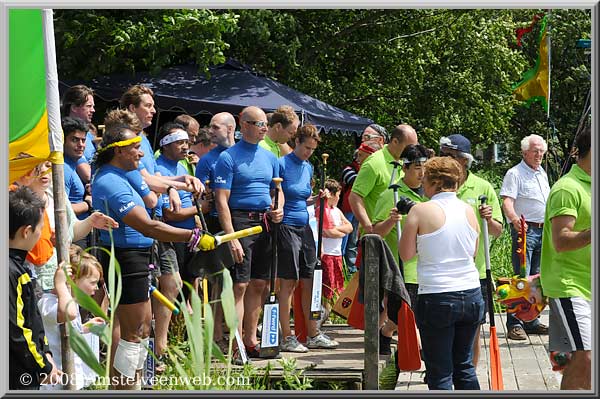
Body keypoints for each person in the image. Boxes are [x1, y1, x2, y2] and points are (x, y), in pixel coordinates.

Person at [91, 123, 209, 388]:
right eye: (135, 148)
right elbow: (148, 225)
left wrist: (183, 183)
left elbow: (155, 182)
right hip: (126, 256)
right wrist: (192, 236)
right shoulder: (110, 180)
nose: (141, 153)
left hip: (139, 254)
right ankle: (125, 387)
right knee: (137, 332)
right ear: (119, 151)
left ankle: (128, 385)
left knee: (134, 331)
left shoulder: (127, 171)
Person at [399, 156, 483, 390]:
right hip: (471, 293)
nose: (422, 185)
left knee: (440, 373)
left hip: (437, 295)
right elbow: (473, 252)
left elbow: (406, 254)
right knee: (464, 367)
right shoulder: (469, 210)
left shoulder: (420, 211)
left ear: (434, 182)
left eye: (424, 180)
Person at [213, 106, 283, 358]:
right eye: (259, 123)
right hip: (240, 221)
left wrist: (280, 209)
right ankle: (235, 344)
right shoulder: (228, 158)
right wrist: (232, 238)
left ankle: (251, 340)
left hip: (265, 222)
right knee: (239, 285)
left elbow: (277, 190)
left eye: (266, 123)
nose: (265, 128)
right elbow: (221, 201)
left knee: (260, 284)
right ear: (244, 125)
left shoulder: (270, 157)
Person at [438, 134, 503, 368]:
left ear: (464, 160)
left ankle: (469, 375)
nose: (445, 160)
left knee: (473, 332)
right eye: (442, 154)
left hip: (474, 274)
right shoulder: (435, 185)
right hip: (442, 273)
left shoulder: (483, 186)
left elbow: (497, 229)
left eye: (450, 156)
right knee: (443, 332)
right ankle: (443, 372)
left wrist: (489, 218)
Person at [277, 124, 340, 353]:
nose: (308, 152)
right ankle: (286, 336)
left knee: (310, 280)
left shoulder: (309, 167)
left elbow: (302, 199)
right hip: (286, 227)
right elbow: (280, 196)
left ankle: (313, 333)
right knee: (288, 283)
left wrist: (317, 198)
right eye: (306, 147)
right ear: (296, 142)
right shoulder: (281, 164)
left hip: (304, 227)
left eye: (313, 149)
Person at [540, 126, 591, 390]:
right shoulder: (567, 188)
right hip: (569, 286)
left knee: (582, 365)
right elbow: (561, 241)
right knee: (586, 358)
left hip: (589, 286)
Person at [371, 143, 430, 355]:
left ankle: (386, 334)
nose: (422, 173)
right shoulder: (391, 195)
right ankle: (422, 354)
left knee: (417, 314)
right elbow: (374, 232)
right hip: (402, 265)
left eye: (425, 167)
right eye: (416, 168)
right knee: (403, 314)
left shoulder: (431, 193)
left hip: (429, 265)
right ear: (404, 168)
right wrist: (390, 220)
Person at [9, 186, 62, 390]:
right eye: (41, 229)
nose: (44, 235)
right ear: (26, 231)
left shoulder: (20, 267)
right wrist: (43, 366)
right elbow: (17, 329)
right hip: (18, 375)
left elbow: (33, 321)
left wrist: (45, 351)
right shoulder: (13, 272)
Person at [500, 134, 550, 340]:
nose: (539, 154)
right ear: (524, 152)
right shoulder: (515, 173)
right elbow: (507, 201)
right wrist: (513, 219)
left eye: (541, 151)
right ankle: (514, 323)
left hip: (542, 230)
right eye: (535, 150)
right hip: (525, 231)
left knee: (536, 278)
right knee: (522, 277)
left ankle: (532, 320)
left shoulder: (541, 173)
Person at [194, 111, 237, 348]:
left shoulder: (239, 154)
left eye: (215, 127)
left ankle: (235, 330)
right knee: (216, 279)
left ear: (230, 129)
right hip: (214, 222)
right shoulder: (207, 160)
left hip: (239, 221)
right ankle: (215, 333)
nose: (210, 132)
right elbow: (200, 196)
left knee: (239, 281)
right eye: (210, 127)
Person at [38, 245, 105, 390]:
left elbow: (66, 329)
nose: (97, 288)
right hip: (55, 384)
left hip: (72, 378)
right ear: (73, 279)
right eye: (93, 282)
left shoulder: (69, 302)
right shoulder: (48, 304)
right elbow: (69, 314)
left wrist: (84, 328)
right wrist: (61, 284)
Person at [349, 124, 418, 236]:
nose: (412, 151)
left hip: (398, 239)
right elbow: (355, 196)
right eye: (409, 146)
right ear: (395, 141)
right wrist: (368, 227)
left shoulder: (403, 161)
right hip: (378, 241)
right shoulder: (374, 163)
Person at [340, 141, 382, 274]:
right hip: (349, 210)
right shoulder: (350, 168)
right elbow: (354, 181)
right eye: (357, 156)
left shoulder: (375, 169)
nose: (358, 159)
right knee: (345, 240)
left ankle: (351, 268)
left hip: (365, 213)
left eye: (361, 156)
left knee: (353, 241)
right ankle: (343, 268)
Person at [319, 179, 353, 325]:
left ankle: (334, 312)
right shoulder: (322, 210)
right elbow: (326, 231)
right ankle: (325, 313)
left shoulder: (337, 211)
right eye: (338, 195)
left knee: (336, 284)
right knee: (326, 285)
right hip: (326, 253)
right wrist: (339, 232)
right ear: (331, 195)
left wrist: (337, 231)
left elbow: (349, 227)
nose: (339, 198)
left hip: (337, 254)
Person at [62, 116, 94, 250]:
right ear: (62, 141)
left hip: (78, 233)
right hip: (71, 237)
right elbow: (60, 208)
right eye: (74, 140)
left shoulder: (71, 165)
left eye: (83, 140)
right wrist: (88, 203)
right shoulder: (62, 168)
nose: (81, 145)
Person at [61, 84, 96, 185]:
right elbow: (87, 175)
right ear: (74, 108)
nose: (93, 110)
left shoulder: (88, 133)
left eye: (93, 106)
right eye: (89, 106)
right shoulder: (67, 134)